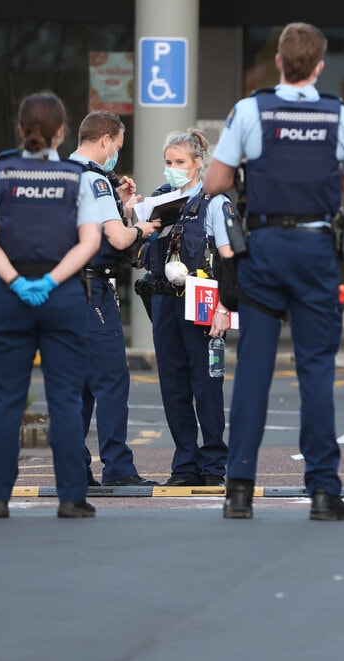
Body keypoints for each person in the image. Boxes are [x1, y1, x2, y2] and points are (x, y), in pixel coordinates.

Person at [205, 21, 344, 520]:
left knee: (253, 372)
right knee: (316, 371)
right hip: (315, 249)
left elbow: (215, 181)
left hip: (264, 248)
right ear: (319, 66)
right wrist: (326, 171)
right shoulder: (339, 117)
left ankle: (238, 490)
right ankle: (323, 491)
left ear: (278, 61)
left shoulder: (251, 109)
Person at [0, 91, 103, 518]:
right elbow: (90, 242)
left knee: (6, 399)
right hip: (63, 295)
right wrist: (51, 280)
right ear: (61, 132)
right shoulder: (75, 177)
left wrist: (14, 280)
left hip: (13, 295)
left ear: (20, 130)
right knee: (65, 396)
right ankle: (71, 498)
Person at [140, 129, 234, 488]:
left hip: (202, 301)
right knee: (173, 387)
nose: (173, 169)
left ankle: (213, 467)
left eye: (180, 162)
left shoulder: (215, 202)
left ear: (198, 163)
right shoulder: (159, 202)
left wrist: (224, 308)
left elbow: (229, 261)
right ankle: (184, 465)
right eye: (168, 162)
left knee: (207, 385)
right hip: (164, 302)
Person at [69, 111, 159, 487]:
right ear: (105, 140)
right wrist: (140, 225)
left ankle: (75, 468)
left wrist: (121, 209)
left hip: (66, 286)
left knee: (82, 384)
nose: (116, 154)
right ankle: (118, 468)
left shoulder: (65, 172)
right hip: (92, 289)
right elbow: (119, 240)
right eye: (117, 146)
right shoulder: (94, 179)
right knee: (110, 379)